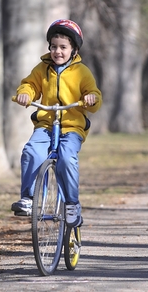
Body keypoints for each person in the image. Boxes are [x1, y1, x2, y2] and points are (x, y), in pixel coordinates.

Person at [11, 19, 102, 227]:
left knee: (66, 159)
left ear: (74, 50)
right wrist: (25, 94)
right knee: (32, 151)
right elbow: (29, 85)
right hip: (46, 125)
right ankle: (28, 198)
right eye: (53, 47)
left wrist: (91, 99)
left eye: (63, 47)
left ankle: (71, 204)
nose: (57, 51)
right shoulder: (42, 69)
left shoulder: (82, 72)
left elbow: (94, 95)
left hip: (71, 127)